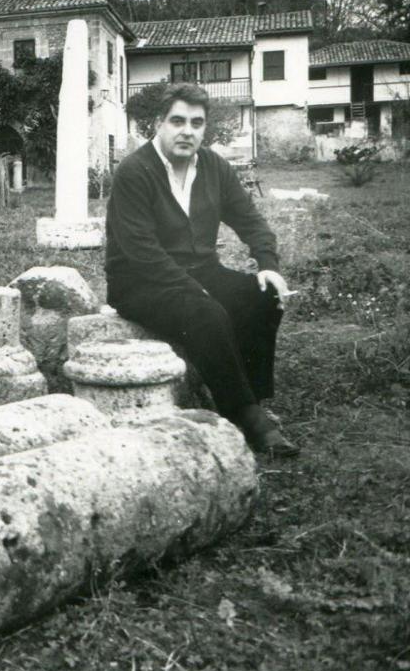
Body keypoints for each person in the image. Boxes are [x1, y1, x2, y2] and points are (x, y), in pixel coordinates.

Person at [105, 83, 299, 457]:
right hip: (139, 281)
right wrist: (195, 289)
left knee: (262, 296)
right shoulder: (135, 172)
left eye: (197, 123)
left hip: (200, 271)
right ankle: (245, 415)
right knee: (205, 312)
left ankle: (254, 397)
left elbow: (251, 221)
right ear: (158, 124)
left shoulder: (214, 167)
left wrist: (268, 265)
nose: (187, 131)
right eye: (177, 121)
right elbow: (141, 251)